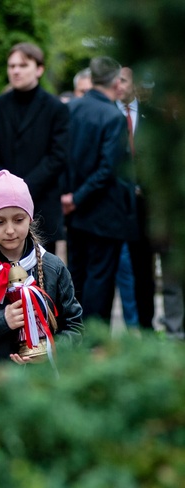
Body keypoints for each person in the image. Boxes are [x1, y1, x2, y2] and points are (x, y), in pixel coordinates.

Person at [0, 170, 83, 362]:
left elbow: (75, 326)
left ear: (30, 217)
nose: (10, 230)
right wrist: (1, 321)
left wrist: (49, 351)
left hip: (46, 379)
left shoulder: (52, 267)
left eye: (19, 220)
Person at [61, 56, 138, 323]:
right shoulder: (113, 117)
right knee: (100, 279)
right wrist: (77, 197)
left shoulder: (70, 109)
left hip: (74, 211)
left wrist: (68, 197)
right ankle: (94, 340)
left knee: (77, 275)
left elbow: (61, 157)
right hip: (104, 212)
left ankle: (73, 335)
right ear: (117, 83)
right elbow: (108, 169)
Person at [0, 42, 70, 252]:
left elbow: (58, 156)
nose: (16, 71)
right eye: (11, 66)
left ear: (39, 69)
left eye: (23, 65)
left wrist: (22, 188)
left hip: (42, 205)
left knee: (42, 278)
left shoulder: (55, 108)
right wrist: (5, 187)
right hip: (1, 209)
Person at [115, 65, 156, 330]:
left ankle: (146, 325)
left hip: (146, 206)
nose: (119, 85)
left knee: (144, 269)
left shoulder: (153, 117)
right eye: (115, 80)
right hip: (115, 204)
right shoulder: (107, 116)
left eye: (124, 80)